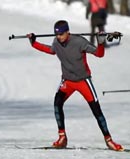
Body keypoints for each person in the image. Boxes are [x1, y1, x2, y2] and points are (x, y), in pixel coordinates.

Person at [26, 20, 123, 151]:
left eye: (61, 34)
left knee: (96, 110)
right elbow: (50, 50)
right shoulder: (56, 42)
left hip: (83, 81)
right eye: (57, 35)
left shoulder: (79, 42)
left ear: (67, 32)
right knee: (57, 103)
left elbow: (99, 54)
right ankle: (62, 137)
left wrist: (100, 43)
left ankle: (109, 140)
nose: (58, 37)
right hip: (68, 81)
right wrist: (34, 43)